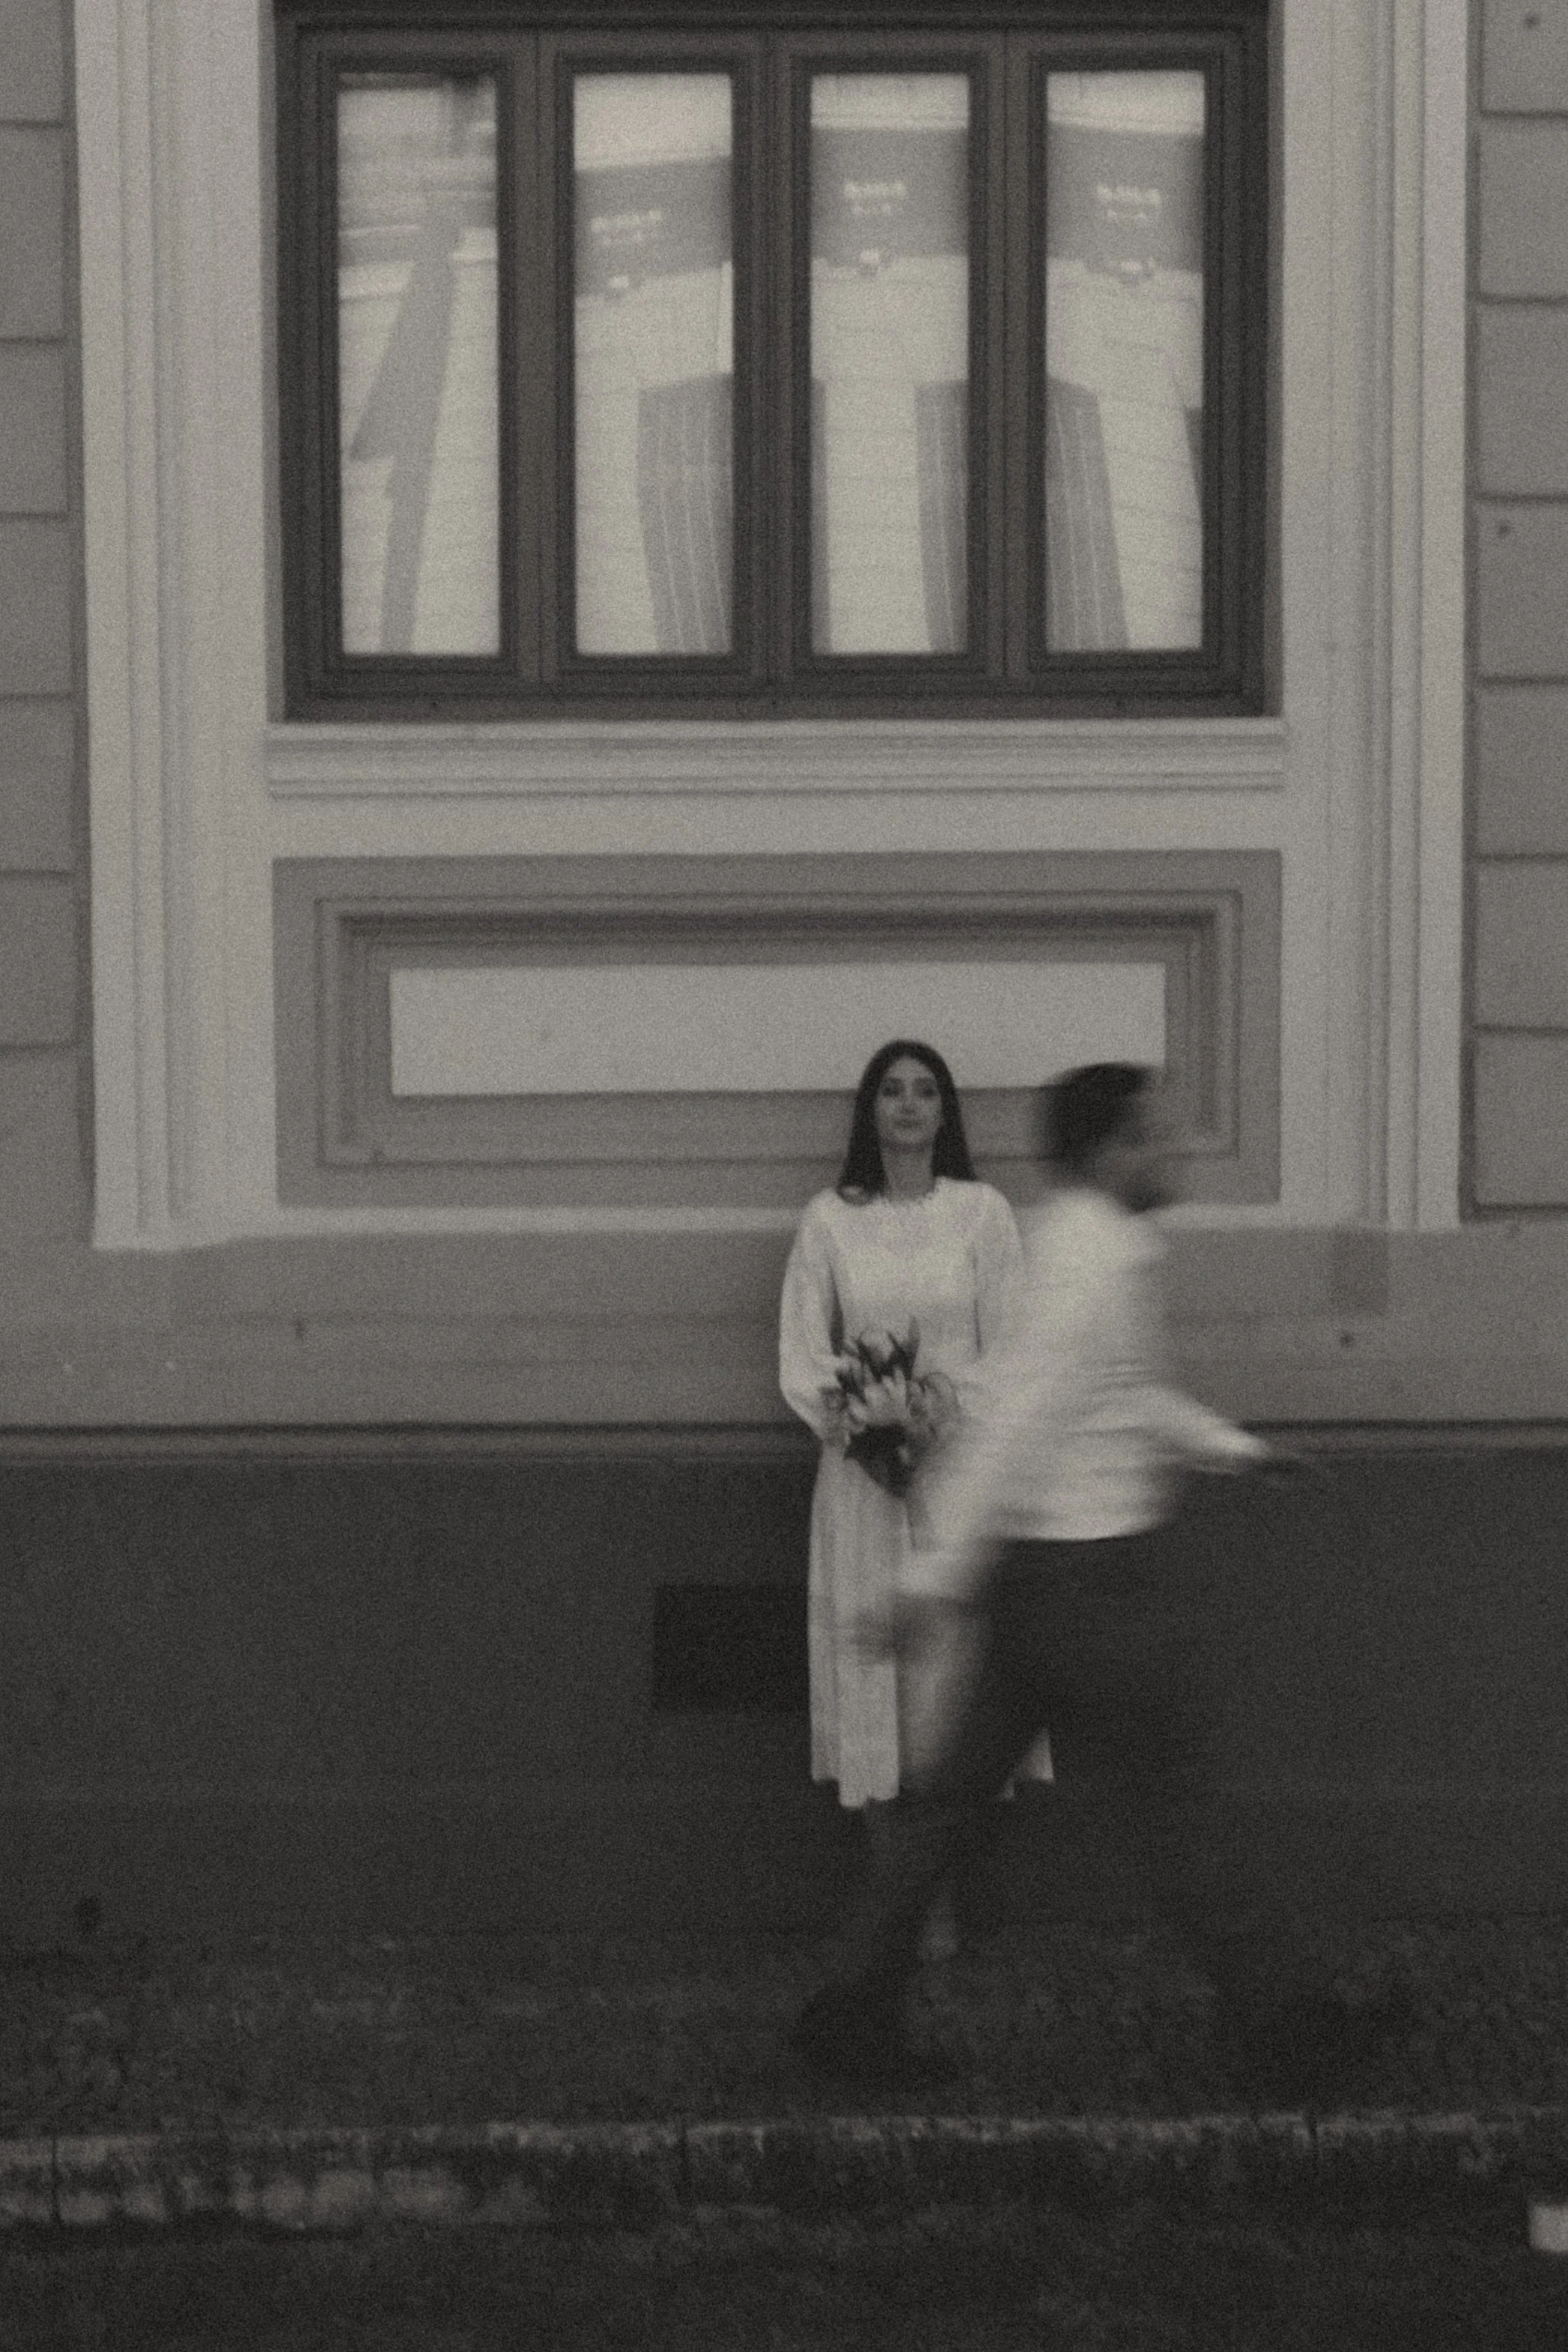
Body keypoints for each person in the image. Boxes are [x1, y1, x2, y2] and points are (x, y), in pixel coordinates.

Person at [790, 1061, 1367, 2097]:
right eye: (1154, 1133)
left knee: (941, 1809)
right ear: (1104, 1150)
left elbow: (1123, 1391)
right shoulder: (1089, 1260)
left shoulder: (1090, 1243)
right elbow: (1016, 1417)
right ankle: (1289, 2028)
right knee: (1180, 1807)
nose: (1176, 1147)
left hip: (1035, 1586)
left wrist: (1231, 1448)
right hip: (1091, 1588)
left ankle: (846, 2017)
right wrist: (931, 1579)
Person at [779, 1040, 1053, 1937]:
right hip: (862, 1485)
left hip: (956, 1482)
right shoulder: (830, 1220)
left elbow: (1009, 1348)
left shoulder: (981, 1215)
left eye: (924, 1091)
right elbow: (801, 1354)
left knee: (949, 1679)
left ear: (945, 1112)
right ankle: (895, 1897)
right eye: (891, 1091)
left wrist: (939, 1406)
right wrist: (861, 1414)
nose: (907, 1105)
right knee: (871, 1674)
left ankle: (935, 1889)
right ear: (870, 1111)